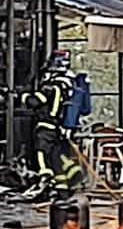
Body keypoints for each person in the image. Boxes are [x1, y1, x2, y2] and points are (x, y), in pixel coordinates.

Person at [20, 49, 83, 200]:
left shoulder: (51, 87)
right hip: (58, 127)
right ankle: (63, 189)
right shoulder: (67, 84)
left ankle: (45, 179)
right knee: (56, 158)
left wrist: (23, 94)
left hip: (47, 125)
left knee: (41, 153)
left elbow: (34, 102)